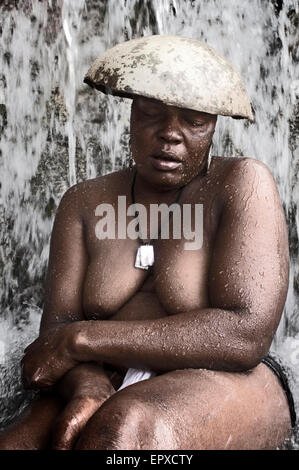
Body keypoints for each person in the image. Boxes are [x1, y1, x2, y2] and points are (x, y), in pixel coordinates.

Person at [0, 35, 296, 450]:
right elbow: (51, 342)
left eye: (193, 121)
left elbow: (244, 336)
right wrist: (87, 386)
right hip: (105, 373)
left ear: (213, 124)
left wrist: (83, 340)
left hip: (227, 379)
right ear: (132, 114)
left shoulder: (242, 184)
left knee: (122, 433)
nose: (169, 134)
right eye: (153, 113)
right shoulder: (85, 201)